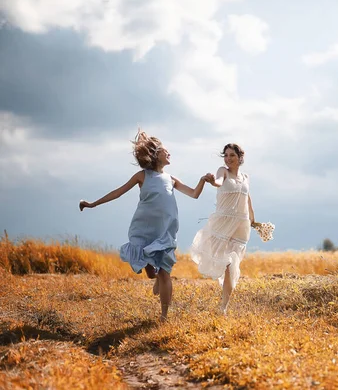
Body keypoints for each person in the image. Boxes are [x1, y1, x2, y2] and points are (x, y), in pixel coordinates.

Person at [79, 129, 210, 321]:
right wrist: (93, 204)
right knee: (151, 273)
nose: (169, 153)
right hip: (144, 230)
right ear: (156, 155)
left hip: (165, 232)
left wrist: (202, 181)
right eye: (166, 151)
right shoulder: (142, 176)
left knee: (165, 272)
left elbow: (193, 194)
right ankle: (155, 275)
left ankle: (164, 316)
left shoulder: (171, 179)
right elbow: (118, 192)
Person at [190, 143, 255, 314]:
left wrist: (253, 219)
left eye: (232, 155)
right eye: (226, 155)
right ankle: (223, 306)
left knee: (233, 265)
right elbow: (218, 182)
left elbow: (247, 198)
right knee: (225, 262)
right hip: (223, 222)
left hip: (242, 224)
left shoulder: (246, 176)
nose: (228, 159)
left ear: (240, 158)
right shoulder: (222, 171)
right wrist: (212, 181)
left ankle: (223, 307)